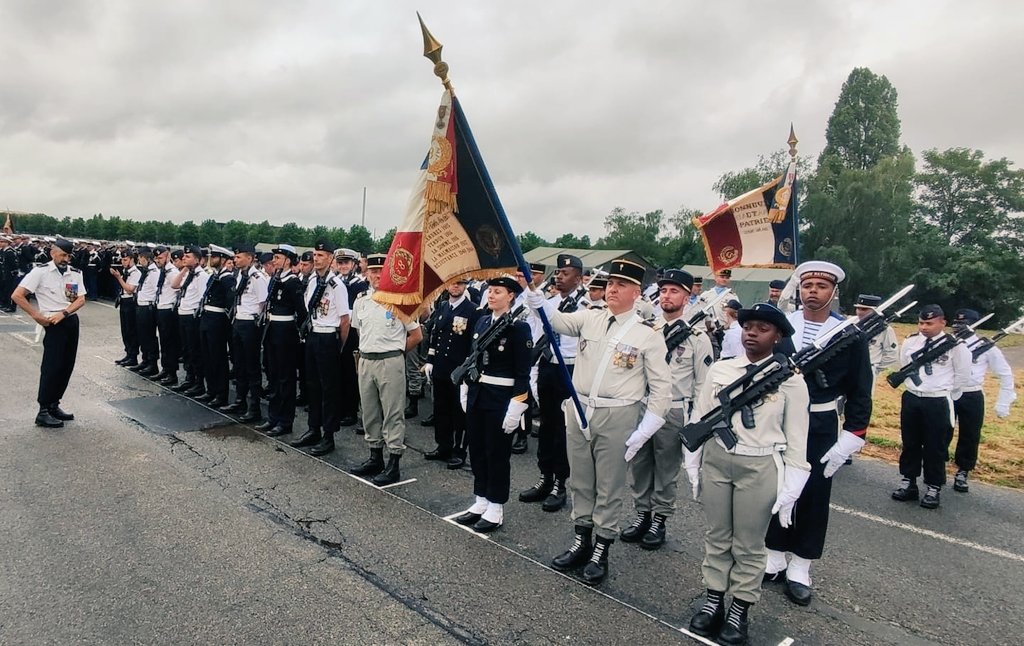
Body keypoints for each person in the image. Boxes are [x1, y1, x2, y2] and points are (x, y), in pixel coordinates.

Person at [521, 259, 672, 585]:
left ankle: (601, 548)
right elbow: (556, 321)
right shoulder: (590, 318)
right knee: (581, 481)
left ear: (636, 292)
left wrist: (646, 429)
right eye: (610, 284)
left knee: (609, 486)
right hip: (579, 408)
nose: (613, 289)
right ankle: (581, 540)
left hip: (617, 414)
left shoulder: (648, 335)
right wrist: (536, 300)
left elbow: (662, 389)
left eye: (620, 285)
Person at [686, 303, 810, 645]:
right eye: (748, 326)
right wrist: (693, 460)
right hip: (717, 458)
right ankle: (714, 600)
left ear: (779, 336)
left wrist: (793, 487)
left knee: (749, 543)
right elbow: (700, 415)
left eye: (763, 328)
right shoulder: (723, 370)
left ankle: (740, 608)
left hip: (759, 465)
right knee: (717, 535)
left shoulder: (791, 381)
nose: (752, 333)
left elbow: (798, 440)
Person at [763, 261, 872, 606]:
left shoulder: (849, 334)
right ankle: (774, 555)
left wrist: (853, 433)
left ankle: (800, 566)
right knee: (776, 485)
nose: (813, 291)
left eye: (821, 286)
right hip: (779, 418)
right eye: (807, 285)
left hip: (821, 422)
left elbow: (860, 387)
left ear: (833, 292)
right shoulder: (784, 328)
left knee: (813, 491)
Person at [622, 269, 712, 550]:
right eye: (663, 291)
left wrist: (695, 422)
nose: (666, 296)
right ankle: (642, 514)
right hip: (643, 405)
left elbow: (702, 385)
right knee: (639, 464)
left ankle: (659, 518)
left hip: (673, 410)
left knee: (666, 468)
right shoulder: (647, 330)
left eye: (674, 291)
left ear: (687, 296)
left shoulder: (698, 337)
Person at [453, 276, 532, 532]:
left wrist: (517, 406)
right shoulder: (483, 321)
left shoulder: (519, 328)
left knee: (496, 453)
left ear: (511, 296)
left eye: (498, 292)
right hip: (478, 392)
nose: (491, 295)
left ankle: (496, 506)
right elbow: (472, 357)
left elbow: (523, 372)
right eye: (490, 291)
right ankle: (481, 500)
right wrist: (466, 385)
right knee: (476, 449)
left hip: (501, 398)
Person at [519, 253, 587, 513]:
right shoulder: (551, 301)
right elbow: (537, 325)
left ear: (579, 278)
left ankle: (560, 482)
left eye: (566, 273)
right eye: (558, 272)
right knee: (547, 425)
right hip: (549, 365)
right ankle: (544, 477)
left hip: (570, 369)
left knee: (563, 430)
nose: (559, 276)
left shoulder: (587, 307)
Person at [350, 254, 423, 485]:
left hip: (390, 361)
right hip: (367, 360)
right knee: (369, 411)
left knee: (393, 412)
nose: (377, 276)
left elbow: (416, 335)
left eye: (381, 272)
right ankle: (375, 456)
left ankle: (394, 462)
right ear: (366, 274)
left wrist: (397, 354)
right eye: (372, 271)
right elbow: (359, 331)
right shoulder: (361, 300)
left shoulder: (400, 301)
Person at [891, 305, 972, 509]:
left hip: (937, 401)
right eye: (921, 323)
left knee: (935, 446)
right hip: (912, 398)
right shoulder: (910, 341)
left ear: (942, 323)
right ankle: (908, 482)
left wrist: (943, 392)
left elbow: (962, 376)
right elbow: (904, 365)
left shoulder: (955, 346)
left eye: (929, 323)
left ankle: (933, 487)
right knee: (910, 443)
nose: (924, 327)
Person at [11, 238, 87, 428]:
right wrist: (36, 315)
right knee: (52, 366)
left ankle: (54, 404)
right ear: (53, 252)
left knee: (66, 365)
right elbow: (17, 295)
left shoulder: (75, 274)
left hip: (69, 320)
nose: (66, 259)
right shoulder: (40, 272)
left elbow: (80, 299)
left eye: (69, 255)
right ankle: (43, 410)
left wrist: (65, 313)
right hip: (52, 322)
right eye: (62, 254)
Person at [291, 241, 350, 456]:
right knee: (312, 385)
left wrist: (339, 346)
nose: (316, 259)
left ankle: (328, 435)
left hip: (328, 338)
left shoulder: (337, 285)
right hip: (313, 335)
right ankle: (313, 428)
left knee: (329, 389)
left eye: (321, 255)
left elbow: (345, 320)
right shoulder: (313, 280)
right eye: (315, 254)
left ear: (330, 258)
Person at [950, 308, 1016, 493]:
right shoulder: (949, 343)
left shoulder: (987, 347)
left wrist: (1004, 401)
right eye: (956, 322)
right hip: (949, 391)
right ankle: (936, 467)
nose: (957, 326)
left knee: (970, 435)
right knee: (942, 430)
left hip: (972, 394)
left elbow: (1005, 373)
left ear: (974, 325)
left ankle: (963, 471)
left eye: (963, 323)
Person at [424, 279, 481, 468]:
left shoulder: (473, 310)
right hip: (440, 367)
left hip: (459, 370)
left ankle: (458, 450)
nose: (455, 287)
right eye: (452, 284)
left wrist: (468, 369)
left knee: (459, 412)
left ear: (465, 286)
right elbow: (434, 336)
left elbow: (475, 345)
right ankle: (443, 445)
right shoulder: (442, 307)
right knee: (441, 409)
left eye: (460, 284)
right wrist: (430, 360)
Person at [253, 244, 308, 437]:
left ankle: (285, 421)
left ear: (287, 260)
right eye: (274, 257)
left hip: (286, 332)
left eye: (278, 258)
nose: (274, 261)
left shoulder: (293, 282)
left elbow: (301, 312)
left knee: (286, 378)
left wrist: (300, 333)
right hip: (272, 329)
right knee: (274, 376)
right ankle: (273, 416)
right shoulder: (275, 279)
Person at [220, 244, 268, 422]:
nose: (235, 259)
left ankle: (254, 407)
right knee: (239, 363)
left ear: (250, 258)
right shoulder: (241, 275)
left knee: (251, 366)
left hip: (250, 323)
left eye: (239, 257)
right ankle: (240, 400)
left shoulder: (257, 277)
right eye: (235, 256)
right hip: (238, 321)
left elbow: (263, 303)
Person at [195, 245, 237, 408]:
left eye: (215, 257)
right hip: (207, 317)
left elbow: (230, 302)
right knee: (207, 356)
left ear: (224, 259)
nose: (211, 259)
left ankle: (221, 394)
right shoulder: (214, 276)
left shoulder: (228, 278)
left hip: (218, 320)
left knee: (218, 358)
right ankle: (211, 389)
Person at [170, 245, 209, 396]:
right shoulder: (188, 273)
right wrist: (185, 269)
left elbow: (201, 299)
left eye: (188, 257)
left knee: (195, 351)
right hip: (183, 314)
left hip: (192, 316)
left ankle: (198, 382)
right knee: (186, 350)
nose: (184, 258)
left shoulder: (202, 276)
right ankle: (189, 378)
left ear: (198, 260)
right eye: (184, 256)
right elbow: (174, 285)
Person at [334, 248, 368, 426]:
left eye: (346, 263)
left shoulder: (360, 285)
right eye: (340, 263)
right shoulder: (335, 282)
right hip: (337, 329)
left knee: (350, 372)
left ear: (354, 264)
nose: (343, 266)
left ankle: (351, 411)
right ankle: (339, 407)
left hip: (353, 332)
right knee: (338, 371)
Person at [853, 294, 898, 389]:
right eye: (858, 308)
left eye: (864, 309)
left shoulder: (885, 329)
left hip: (868, 368)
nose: (860, 312)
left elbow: (891, 354)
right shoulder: (851, 324)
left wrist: (875, 369)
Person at [129, 247, 160, 377]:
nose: (140, 261)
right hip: (140, 306)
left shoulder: (154, 273)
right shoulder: (146, 272)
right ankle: (145, 360)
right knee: (142, 335)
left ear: (146, 259)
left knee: (149, 336)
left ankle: (152, 364)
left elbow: (155, 291)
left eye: (141, 258)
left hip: (148, 307)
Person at [152, 247, 181, 386]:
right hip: (161, 308)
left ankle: (171, 372)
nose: (158, 260)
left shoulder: (172, 272)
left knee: (170, 343)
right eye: (156, 258)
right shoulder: (163, 271)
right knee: (164, 341)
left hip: (168, 309)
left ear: (168, 256)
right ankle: (165, 368)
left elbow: (179, 287)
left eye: (161, 258)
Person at [111, 251, 142, 366]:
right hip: (124, 300)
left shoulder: (136, 273)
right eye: (122, 260)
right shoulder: (126, 271)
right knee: (125, 330)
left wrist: (118, 278)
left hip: (131, 302)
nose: (123, 262)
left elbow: (130, 289)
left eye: (125, 260)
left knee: (131, 329)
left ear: (132, 260)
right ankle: (128, 353)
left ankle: (133, 355)